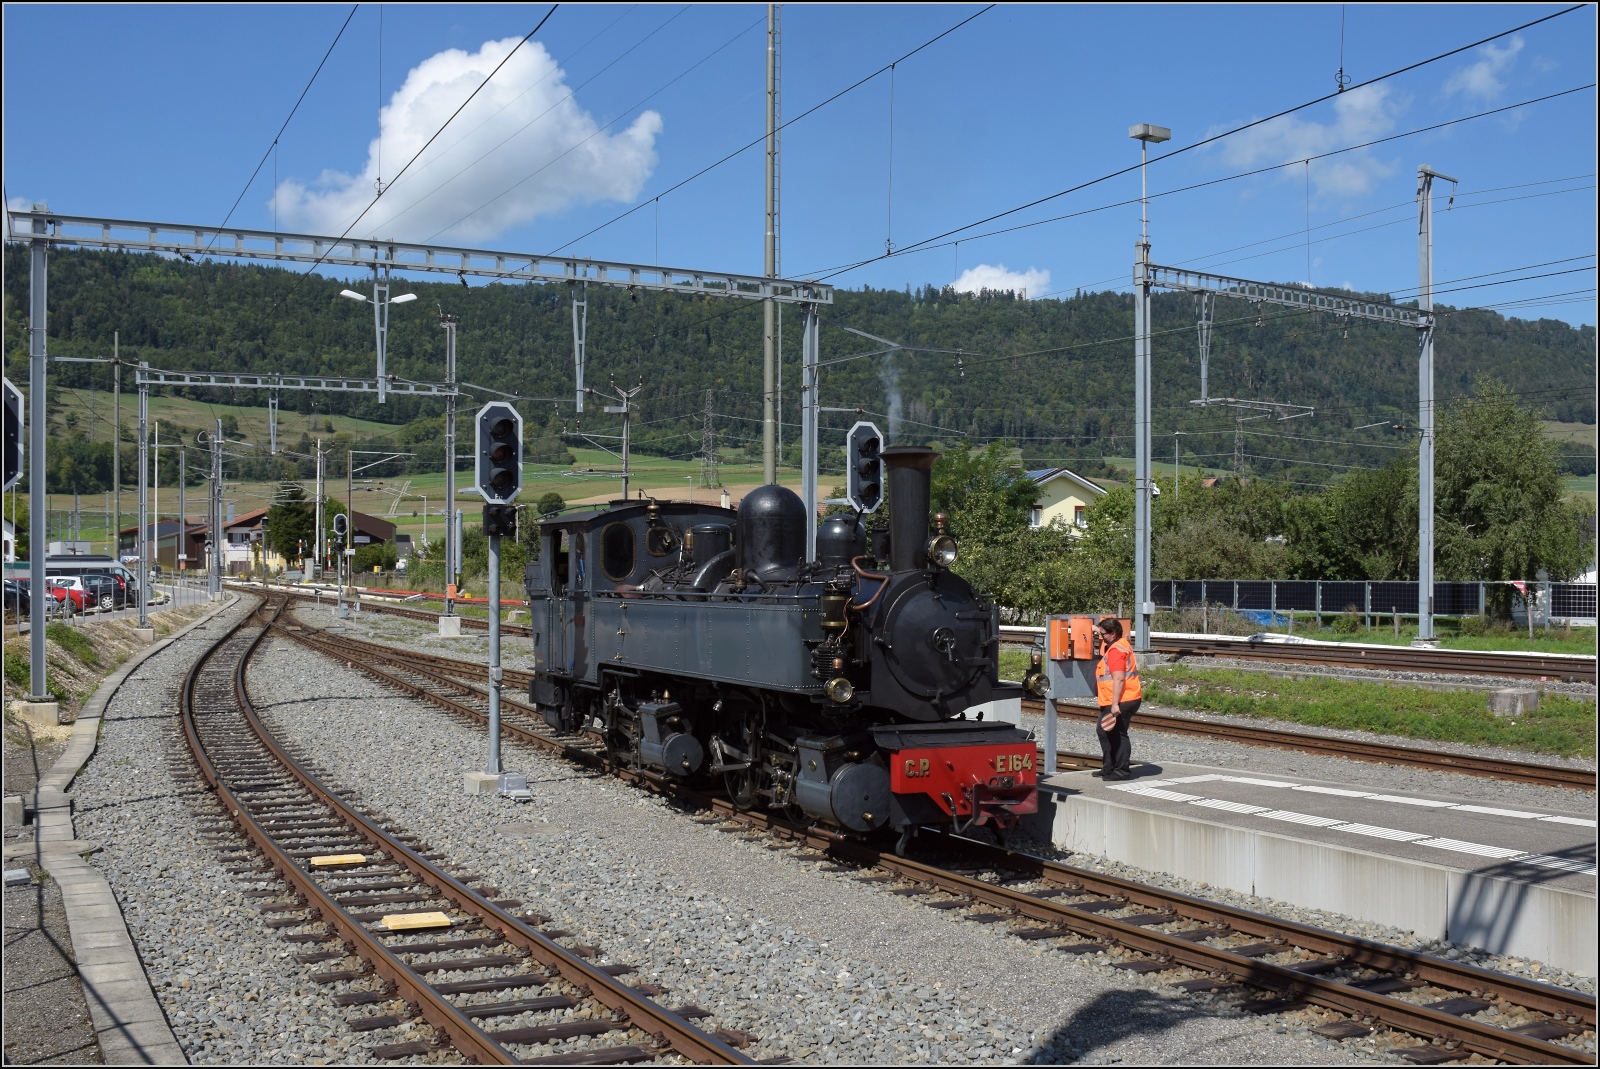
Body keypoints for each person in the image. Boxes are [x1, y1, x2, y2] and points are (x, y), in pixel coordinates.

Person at [1094, 616, 1142, 780]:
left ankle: (1121, 771)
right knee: (1104, 731)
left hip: (1122, 700)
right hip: (1120, 697)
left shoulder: (1116, 651)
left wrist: (1115, 704)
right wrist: (1093, 627)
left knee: (1118, 734)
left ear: (1113, 633)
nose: (1101, 637)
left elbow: (1119, 678)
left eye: (1103, 634)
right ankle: (1109, 767)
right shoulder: (1119, 643)